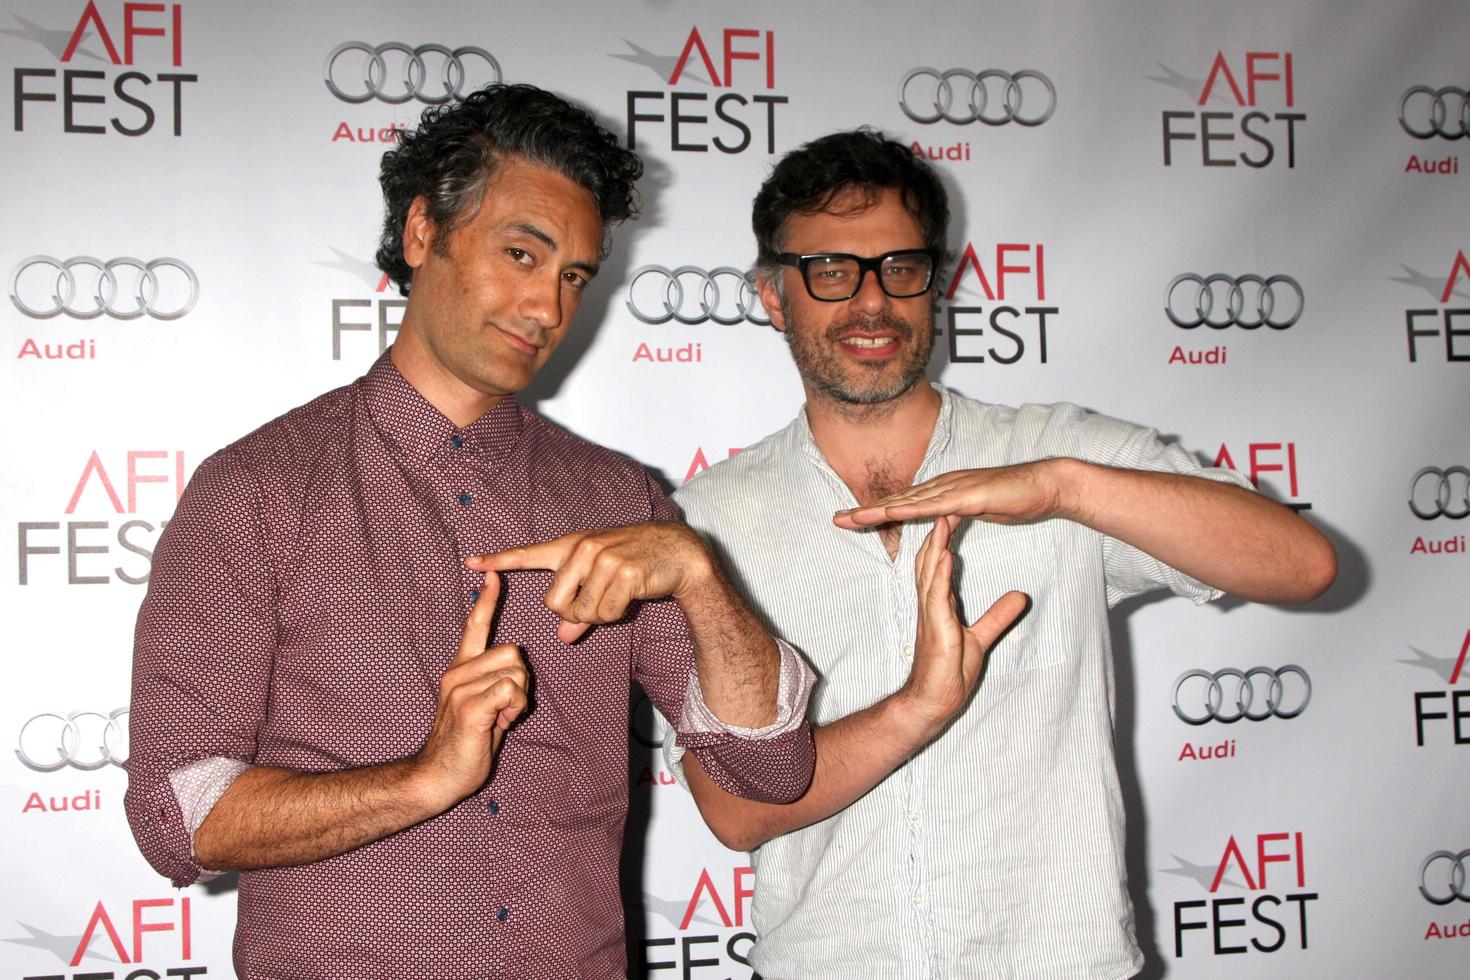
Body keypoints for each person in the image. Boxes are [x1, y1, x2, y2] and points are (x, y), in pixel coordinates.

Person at [124, 84, 814, 979]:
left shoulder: (617, 496)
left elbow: (773, 769)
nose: (547, 310)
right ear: (422, 233)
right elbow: (180, 816)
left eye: (574, 275)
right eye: (521, 254)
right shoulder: (256, 490)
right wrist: (423, 778)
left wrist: (697, 572)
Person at [667, 129, 1337, 979]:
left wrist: (1063, 489)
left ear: (935, 285)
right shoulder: (708, 522)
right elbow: (733, 809)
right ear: (772, 295)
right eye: (831, 270)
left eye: (901, 268)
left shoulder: (1054, 451)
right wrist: (917, 706)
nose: (871, 302)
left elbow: (1301, 565)